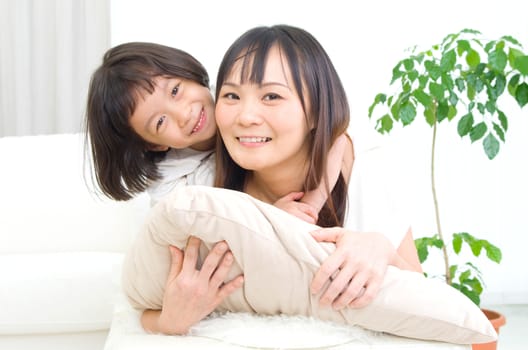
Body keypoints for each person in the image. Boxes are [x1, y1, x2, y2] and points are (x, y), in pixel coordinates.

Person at [141, 25, 422, 335]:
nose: (246, 116)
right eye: (232, 95)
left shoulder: (364, 166)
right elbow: (147, 305)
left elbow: (428, 299)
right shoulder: (205, 192)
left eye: (271, 96)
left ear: (317, 109)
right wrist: (169, 322)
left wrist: (383, 251)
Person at [84, 41, 345, 334]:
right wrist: (270, 216)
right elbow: (156, 298)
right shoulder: (182, 189)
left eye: (175, 91)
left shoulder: (244, 103)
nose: (184, 114)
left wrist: (310, 204)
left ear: (190, 74)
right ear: (154, 143)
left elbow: (338, 138)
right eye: (160, 121)